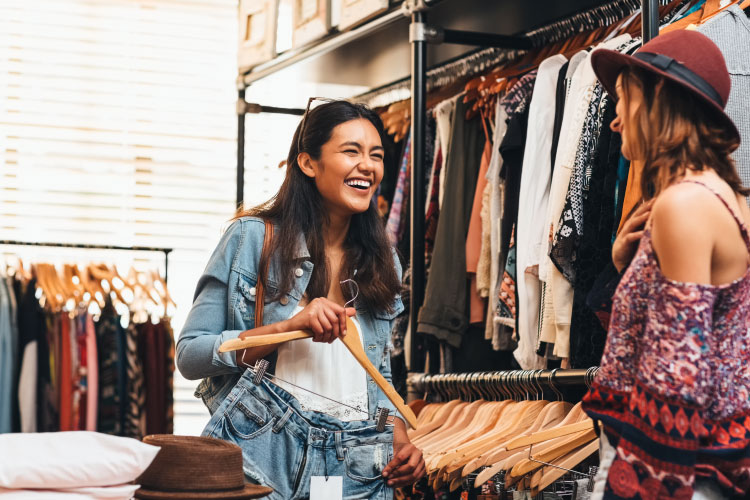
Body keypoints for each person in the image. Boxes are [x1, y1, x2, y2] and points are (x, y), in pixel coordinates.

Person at [177, 99, 425, 499]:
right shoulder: (251, 239)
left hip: (356, 466)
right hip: (262, 455)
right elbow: (190, 355)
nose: (368, 166)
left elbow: (378, 376)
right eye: (351, 151)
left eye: (376, 155)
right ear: (308, 163)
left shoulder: (383, 261)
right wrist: (287, 328)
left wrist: (399, 440)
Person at [581, 30, 750, 500]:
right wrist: (623, 265)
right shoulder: (723, 199)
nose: (614, 121)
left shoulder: (684, 206)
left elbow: (674, 381)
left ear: (654, 97)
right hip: (701, 465)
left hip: (672, 471)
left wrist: (638, 488)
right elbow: (663, 337)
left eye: (620, 100)